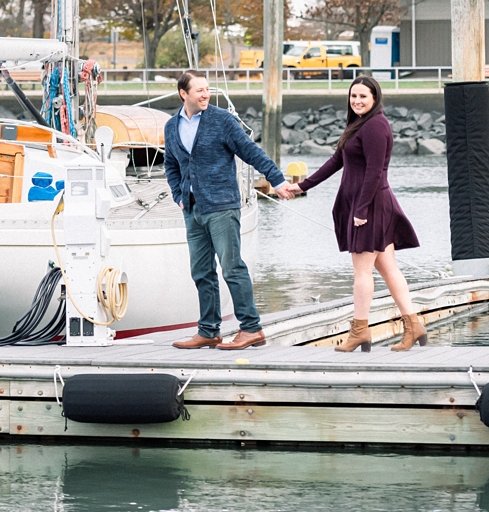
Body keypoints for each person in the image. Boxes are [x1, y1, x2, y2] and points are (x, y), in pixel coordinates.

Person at [276, 75, 426, 352]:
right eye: (353, 96)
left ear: (374, 99)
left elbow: (374, 171)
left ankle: (359, 330)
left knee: (362, 272)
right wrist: (302, 186)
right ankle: (414, 325)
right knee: (388, 269)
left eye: (363, 97)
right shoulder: (359, 125)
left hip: (370, 205)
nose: (357, 101)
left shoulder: (375, 126)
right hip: (368, 203)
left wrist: (361, 210)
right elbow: (337, 161)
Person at [164, 69, 286, 350]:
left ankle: (251, 328)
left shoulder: (222, 121)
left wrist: (276, 180)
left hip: (222, 206)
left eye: (208, 89)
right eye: (199, 90)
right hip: (192, 209)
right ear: (184, 94)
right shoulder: (172, 126)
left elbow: (251, 152)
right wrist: (177, 195)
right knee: (201, 272)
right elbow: (171, 164)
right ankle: (208, 330)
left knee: (232, 268)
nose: (206, 94)